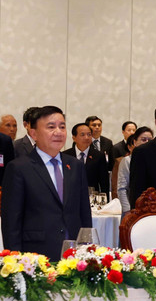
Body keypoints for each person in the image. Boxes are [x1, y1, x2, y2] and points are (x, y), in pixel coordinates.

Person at [1, 106, 92, 261]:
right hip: (36, 258)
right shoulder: (18, 168)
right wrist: (15, 262)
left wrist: (87, 250)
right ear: (34, 133)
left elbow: (84, 213)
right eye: (51, 127)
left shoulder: (75, 166)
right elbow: (11, 223)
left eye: (62, 126)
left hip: (74, 258)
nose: (58, 132)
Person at [62, 123, 109, 195]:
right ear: (74, 138)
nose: (87, 137)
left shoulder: (99, 156)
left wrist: (105, 202)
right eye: (82, 135)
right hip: (70, 196)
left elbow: (104, 182)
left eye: (89, 134)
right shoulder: (65, 155)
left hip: (92, 198)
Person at [116, 127, 154, 213]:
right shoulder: (127, 160)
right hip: (132, 209)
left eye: (150, 140)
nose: (147, 143)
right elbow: (122, 189)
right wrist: (128, 210)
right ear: (135, 142)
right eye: (143, 140)